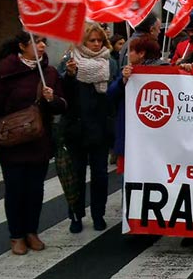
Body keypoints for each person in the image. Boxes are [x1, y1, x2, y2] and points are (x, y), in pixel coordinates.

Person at [0, 32, 66, 255]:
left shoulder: (48, 72)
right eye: (36, 42)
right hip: (12, 143)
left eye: (43, 43)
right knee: (15, 190)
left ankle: (32, 231)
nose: (41, 46)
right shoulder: (4, 73)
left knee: (35, 190)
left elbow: (62, 106)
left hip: (38, 141)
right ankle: (16, 235)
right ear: (22, 46)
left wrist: (52, 99)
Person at [59, 22, 119, 234]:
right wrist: (69, 75)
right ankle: (75, 215)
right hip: (76, 128)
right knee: (75, 176)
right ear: (82, 41)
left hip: (100, 127)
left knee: (100, 175)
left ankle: (98, 214)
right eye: (91, 40)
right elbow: (61, 94)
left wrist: (122, 81)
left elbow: (112, 92)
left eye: (99, 41)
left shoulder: (109, 62)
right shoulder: (70, 61)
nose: (96, 44)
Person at [108, 34, 163, 175]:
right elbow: (111, 95)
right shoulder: (128, 72)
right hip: (129, 135)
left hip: (152, 139)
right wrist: (123, 81)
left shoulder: (162, 72)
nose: (127, 54)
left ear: (141, 54)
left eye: (131, 51)